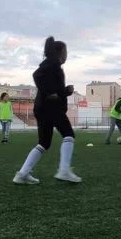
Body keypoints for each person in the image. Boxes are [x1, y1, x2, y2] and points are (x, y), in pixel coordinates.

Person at [13, 36, 81, 184]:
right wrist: (50, 92)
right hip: (51, 107)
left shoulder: (52, 64)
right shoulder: (52, 63)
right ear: (60, 52)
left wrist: (65, 91)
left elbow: (55, 89)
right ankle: (64, 171)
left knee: (44, 143)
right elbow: (37, 75)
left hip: (43, 107)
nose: (67, 55)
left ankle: (22, 174)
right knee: (68, 134)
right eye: (65, 52)